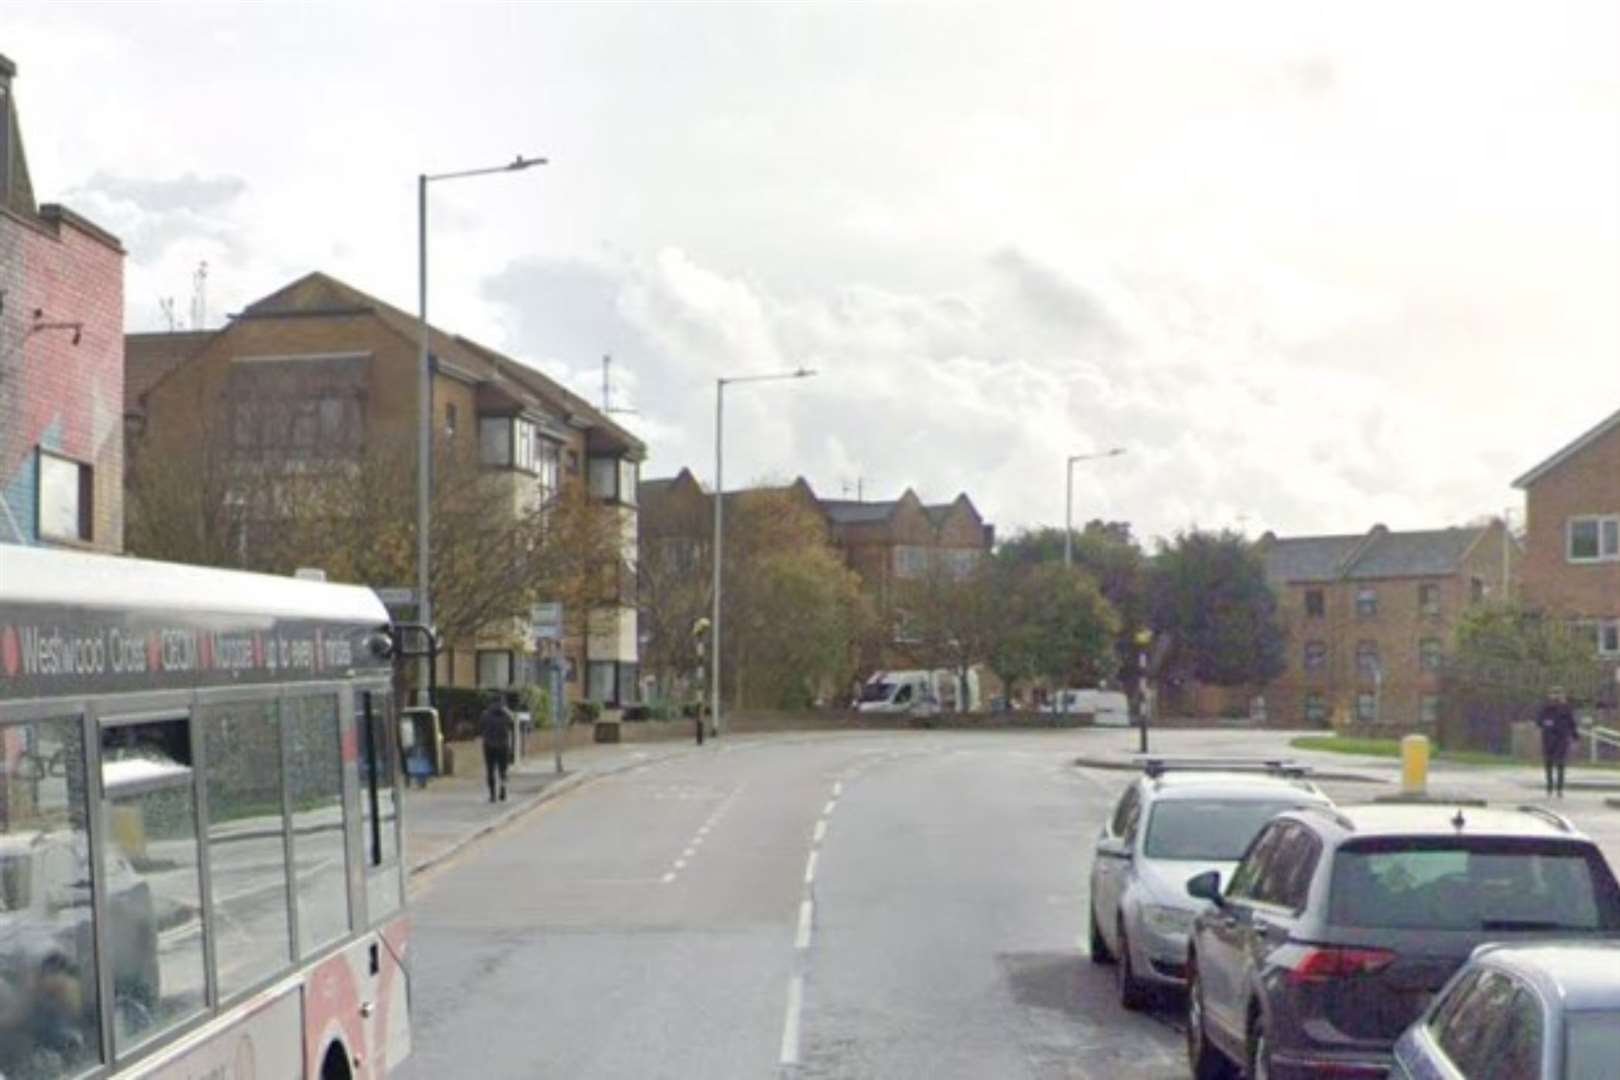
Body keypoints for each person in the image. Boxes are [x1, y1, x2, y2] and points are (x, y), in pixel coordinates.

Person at [1536, 686, 1578, 798]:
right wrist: (1547, 723)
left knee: (1560, 763)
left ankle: (1560, 788)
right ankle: (1549, 786)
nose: (1556, 696)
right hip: (1549, 738)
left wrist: (1574, 737)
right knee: (1548, 763)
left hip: (1562, 738)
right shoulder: (1546, 708)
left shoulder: (1566, 708)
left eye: (1558, 694)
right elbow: (1539, 721)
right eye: (1554, 694)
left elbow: (1572, 723)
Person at [479, 693, 516, 803]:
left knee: (490, 770)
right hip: (503, 745)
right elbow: (512, 725)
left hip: (489, 745)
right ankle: (503, 789)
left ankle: (492, 795)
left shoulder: (485, 714)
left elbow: (481, 728)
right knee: (503, 770)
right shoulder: (506, 714)